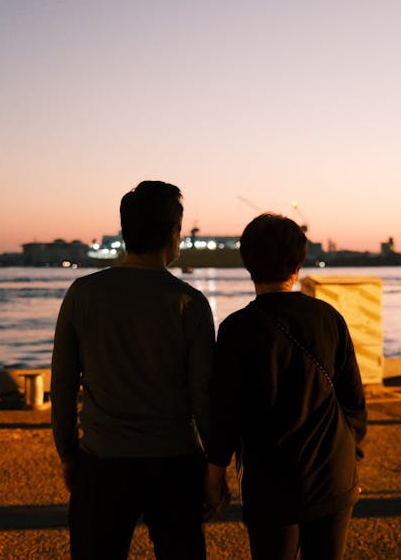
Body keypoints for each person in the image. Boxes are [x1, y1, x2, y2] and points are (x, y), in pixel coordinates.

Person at [51, 180, 221, 559]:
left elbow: (62, 384)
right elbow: (203, 395)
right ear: (174, 234)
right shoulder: (190, 302)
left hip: (102, 460)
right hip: (175, 462)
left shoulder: (83, 294)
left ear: (125, 231)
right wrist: (215, 466)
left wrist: (68, 452)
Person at [204, 214, 367, 560]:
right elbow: (354, 401)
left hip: (270, 481)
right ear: (298, 262)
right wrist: (349, 454)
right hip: (333, 476)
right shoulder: (329, 318)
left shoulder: (236, 329)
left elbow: (225, 413)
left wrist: (215, 474)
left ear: (247, 262)